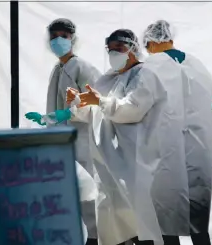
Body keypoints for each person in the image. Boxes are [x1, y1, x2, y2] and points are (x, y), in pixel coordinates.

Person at [68, 28, 190, 245]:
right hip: (109, 166)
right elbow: (92, 112)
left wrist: (100, 102)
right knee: (115, 220)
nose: (114, 54)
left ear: (133, 49)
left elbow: (132, 109)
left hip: (137, 163)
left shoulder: (145, 75)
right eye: (111, 49)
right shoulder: (107, 80)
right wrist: (76, 103)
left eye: (120, 49)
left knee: (143, 222)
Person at [26, 18, 101, 245]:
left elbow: (96, 105)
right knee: (68, 196)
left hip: (83, 144)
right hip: (62, 143)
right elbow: (61, 107)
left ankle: (96, 239)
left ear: (73, 39)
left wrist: (66, 114)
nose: (58, 40)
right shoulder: (58, 69)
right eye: (54, 36)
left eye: (64, 36)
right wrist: (47, 118)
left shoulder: (83, 68)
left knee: (89, 195)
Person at [142, 20, 212, 245]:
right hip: (198, 148)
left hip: (163, 149)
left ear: (151, 43)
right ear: (171, 39)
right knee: (198, 208)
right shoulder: (198, 65)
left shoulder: (150, 66)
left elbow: (136, 107)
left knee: (165, 213)